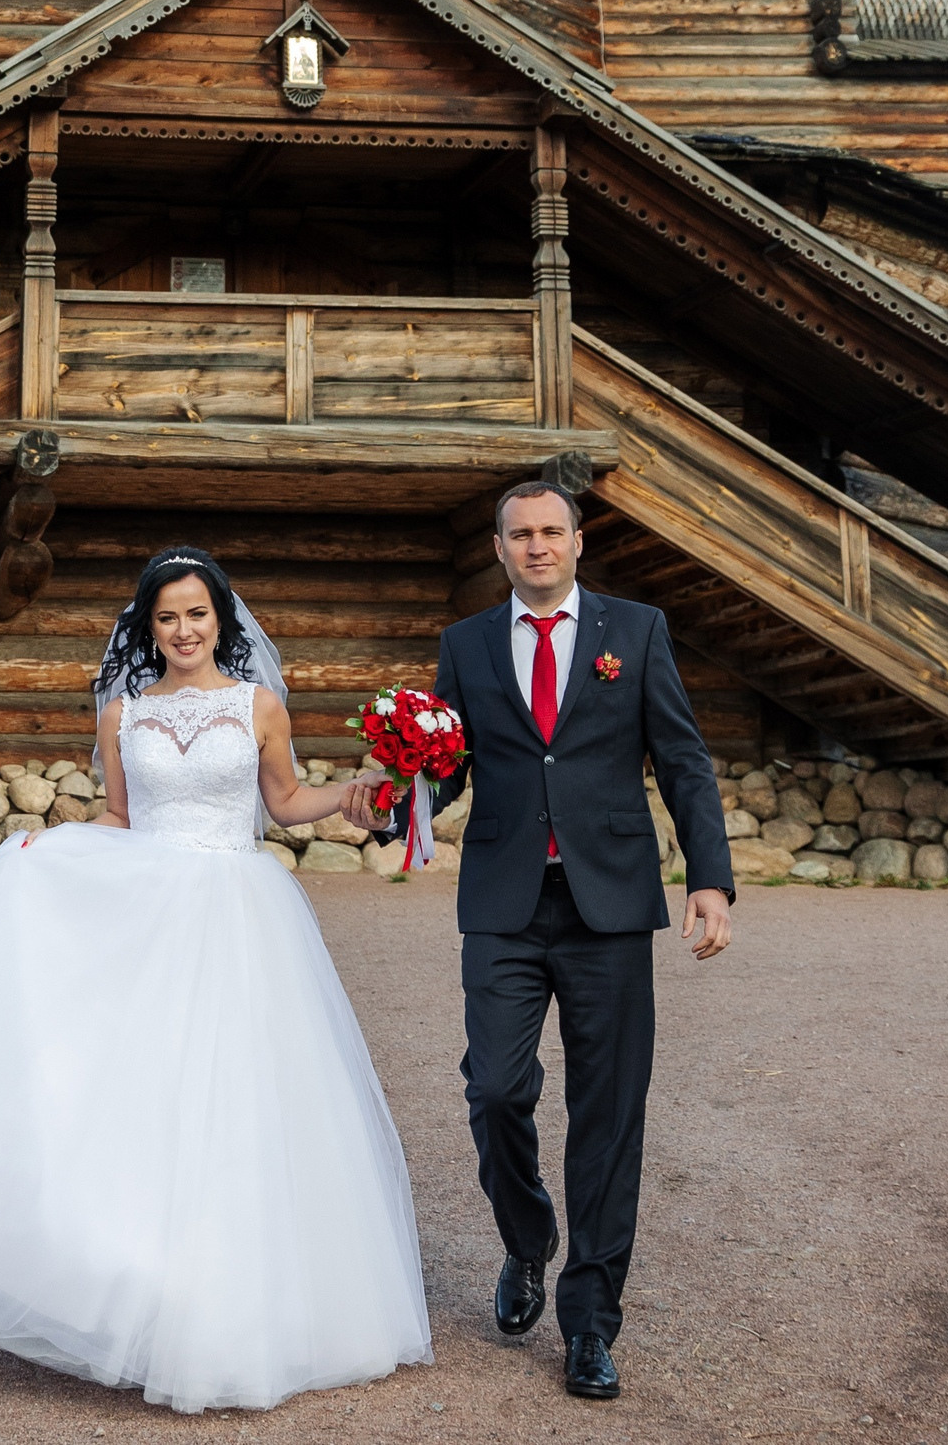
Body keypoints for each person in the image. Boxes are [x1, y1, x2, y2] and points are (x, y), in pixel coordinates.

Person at [0, 547, 431, 1414]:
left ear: (222, 621)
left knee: (234, 1105)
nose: (182, 630)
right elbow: (122, 818)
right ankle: (129, 1285)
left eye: (197, 615)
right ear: (148, 626)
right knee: (135, 1101)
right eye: (166, 617)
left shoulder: (259, 704)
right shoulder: (123, 714)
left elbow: (283, 803)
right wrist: (49, 848)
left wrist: (355, 789)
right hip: (147, 909)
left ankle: (234, 1310)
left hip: (238, 914)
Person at [357, 479, 733, 1401]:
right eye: (519, 534)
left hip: (610, 904)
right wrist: (394, 802)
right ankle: (528, 1242)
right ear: (498, 548)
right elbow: (447, 766)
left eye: (551, 531)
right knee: (493, 1088)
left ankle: (589, 1324)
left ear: (576, 540)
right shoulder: (467, 645)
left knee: (608, 1115)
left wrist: (711, 877)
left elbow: (681, 757)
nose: (536, 546)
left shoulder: (636, 631)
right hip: (504, 901)